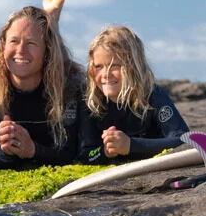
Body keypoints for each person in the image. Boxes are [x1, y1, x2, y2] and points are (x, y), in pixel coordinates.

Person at [0, 0, 85, 168]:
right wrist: (7, 150)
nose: (20, 50)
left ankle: (52, 20)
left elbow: (74, 154)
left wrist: (32, 149)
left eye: (31, 43)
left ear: (46, 50)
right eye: (14, 41)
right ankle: (51, 18)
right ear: (2, 46)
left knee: (64, 68)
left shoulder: (70, 89)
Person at [78, 25, 189, 164]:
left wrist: (130, 145)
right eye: (98, 66)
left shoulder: (152, 96)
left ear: (134, 66)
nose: (105, 74)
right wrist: (106, 151)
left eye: (115, 65)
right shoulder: (92, 103)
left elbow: (183, 140)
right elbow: (85, 154)